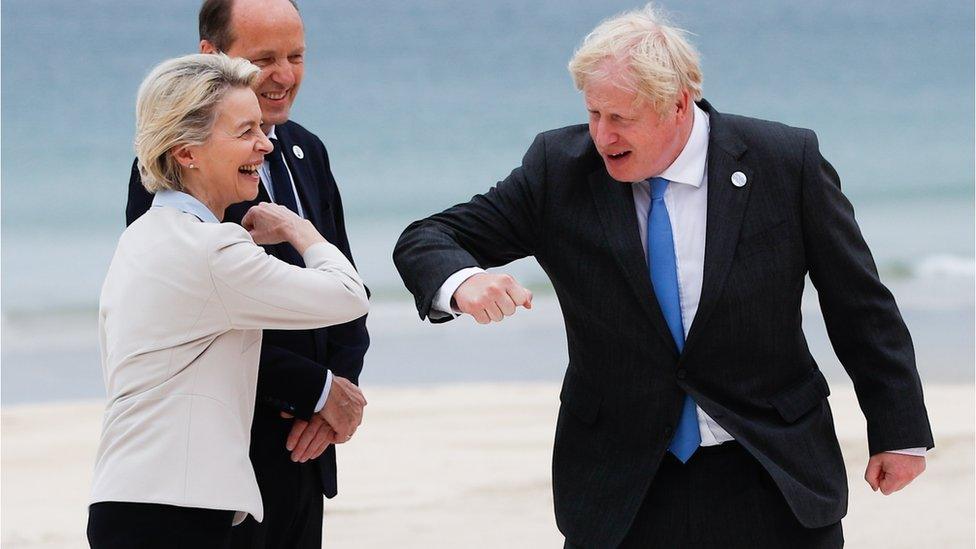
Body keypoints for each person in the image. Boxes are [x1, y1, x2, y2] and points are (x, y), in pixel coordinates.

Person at [393, 5, 934, 548]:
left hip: (772, 470)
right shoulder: (558, 169)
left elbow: (859, 303)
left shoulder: (783, 161)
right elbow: (427, 237)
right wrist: (462, 282)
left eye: (620, 118)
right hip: (621, 485)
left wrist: (899, 431)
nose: (602, 136)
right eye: (593, 114)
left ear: (678, 104)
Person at [89, 53, 369, 548]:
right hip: (177, 511)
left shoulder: (144, 237)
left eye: (261, 128)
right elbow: (347, 296)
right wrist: (298, 229)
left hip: (131, 500)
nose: (264, 144)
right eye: (245, 132)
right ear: (187, 153)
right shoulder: (210, 249)